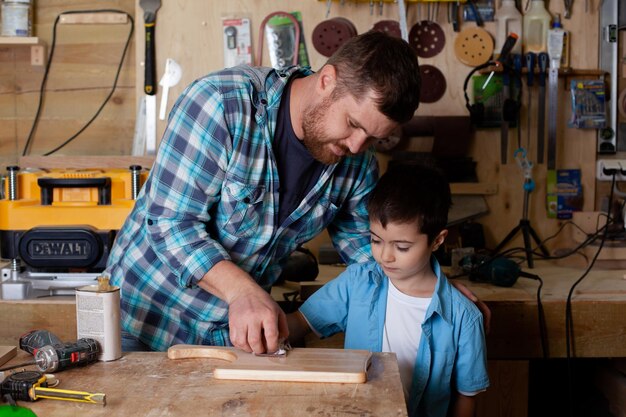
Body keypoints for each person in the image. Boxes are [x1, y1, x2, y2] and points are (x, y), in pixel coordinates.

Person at [105, 30, 487, 354]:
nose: (356, 146)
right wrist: (243, 293)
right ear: (327, 80)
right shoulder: (221, 105)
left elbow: (367, 255)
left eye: (373, 138)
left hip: (229, 337)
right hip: (138, 322)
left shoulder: (356, 166)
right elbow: (171, 224)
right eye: (353, 124)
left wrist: (429, 285)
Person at [287, 162, 489, 417]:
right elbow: (300, 321)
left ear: (438, 240)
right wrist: (268, 326)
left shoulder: (464, 317)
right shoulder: (357, 282)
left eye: (402, 247)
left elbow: (466, 398)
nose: (385, 256)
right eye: (375, 240)